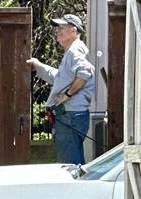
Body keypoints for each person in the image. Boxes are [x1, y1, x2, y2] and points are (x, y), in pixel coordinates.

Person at [29, 14, 97, 166]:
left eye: (61, 27)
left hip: (70, 116)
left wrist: (67, 95)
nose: (57, 31)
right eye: (57, 27)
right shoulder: (73, 51)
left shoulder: (74, 50)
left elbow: (86, 71)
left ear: (74, 30)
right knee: (72, 163)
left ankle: (75, 190)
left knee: (70, 166)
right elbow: (60, 79)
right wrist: (39, 66)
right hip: (72, 116)